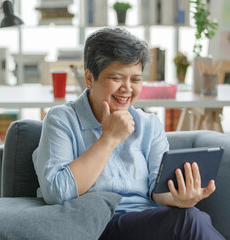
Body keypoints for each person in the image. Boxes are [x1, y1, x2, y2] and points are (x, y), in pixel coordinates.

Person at [32, 27, 224, 239]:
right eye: (116, 78)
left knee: (190, 215)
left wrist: (180, 198)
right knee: (189, 221)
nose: (127, 88)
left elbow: (157, 191)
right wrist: (109, 139)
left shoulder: (149, 124)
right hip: (96, 224)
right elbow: (57, 192)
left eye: (136, 79)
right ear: (89, 78)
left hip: (147, 222)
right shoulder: (62, 119)